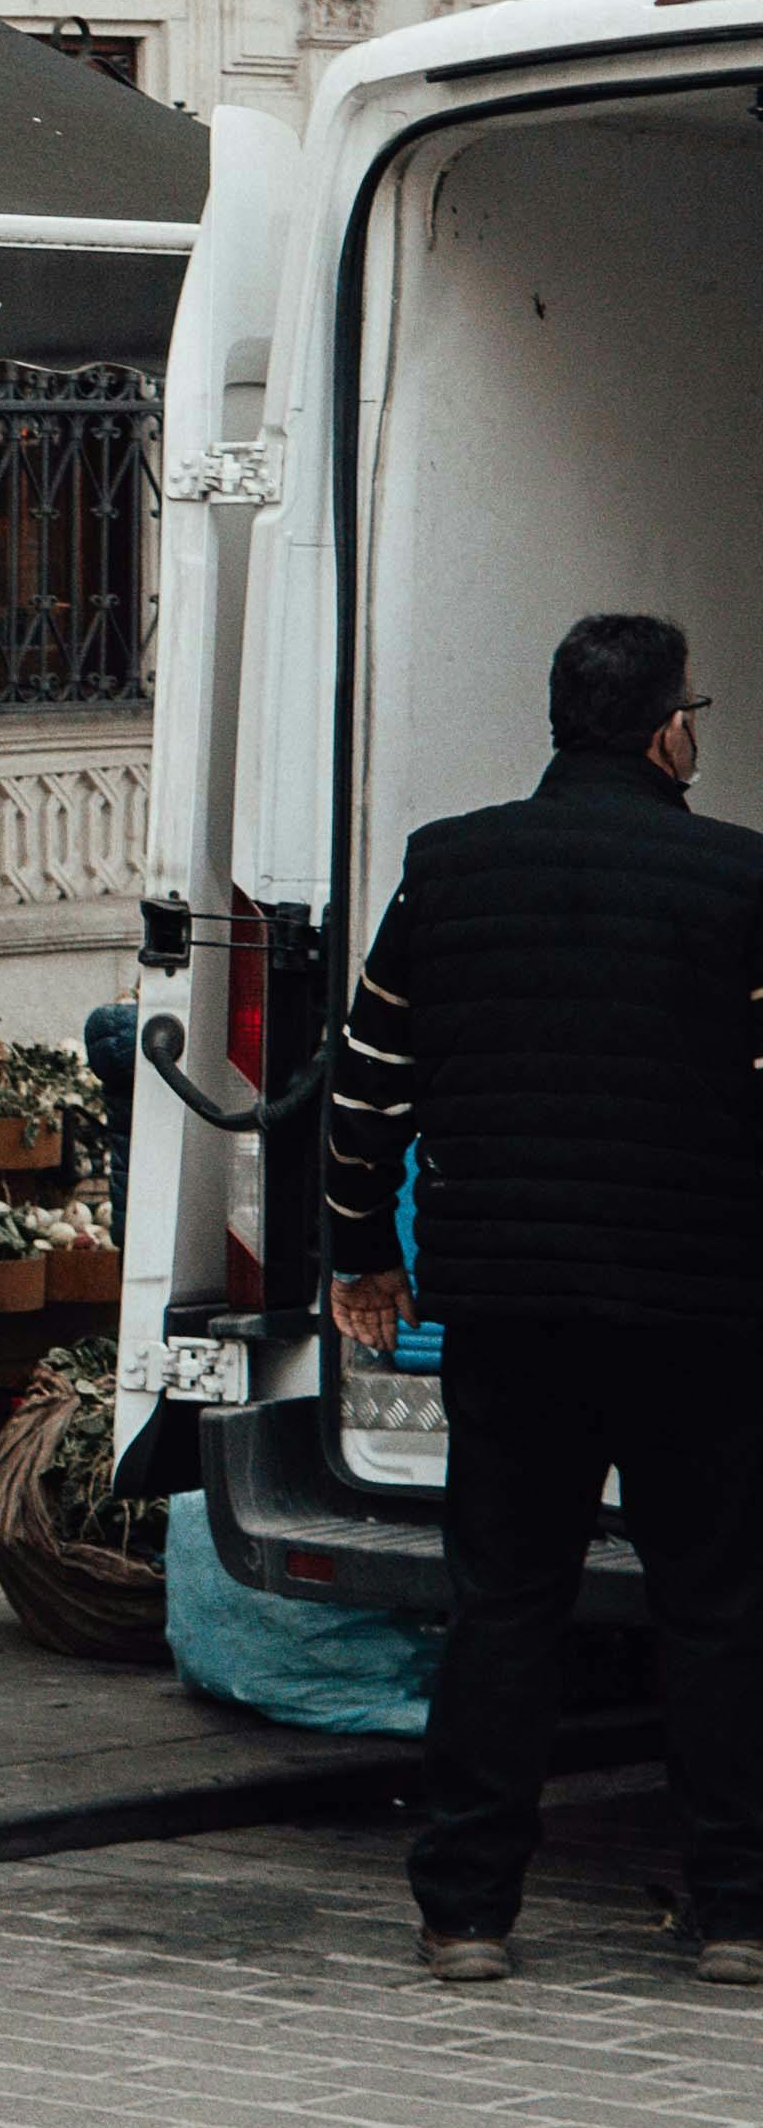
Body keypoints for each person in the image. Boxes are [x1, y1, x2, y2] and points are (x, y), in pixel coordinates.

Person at [325, 606, 763, 1988]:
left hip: (508, 1314)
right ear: (664, 730)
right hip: (699, 1316)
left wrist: (359, 1255)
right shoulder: (739, 882)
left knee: (505, 1602)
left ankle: (466, 1911)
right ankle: (739, 1913)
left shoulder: (449, 870)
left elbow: (363, 1084)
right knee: (714, 1607)